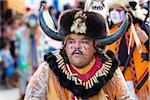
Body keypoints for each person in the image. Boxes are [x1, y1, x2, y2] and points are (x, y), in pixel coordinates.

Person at [25, 6, 133, 99]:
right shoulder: (47, 70)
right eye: (71, 41)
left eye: (84, 42)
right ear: (65, 45)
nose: (76, 46)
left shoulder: (109, 71)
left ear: (96, 46)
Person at [107, 4, 149, 100]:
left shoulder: (139, 29)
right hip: (114, 80)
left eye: (117, 10)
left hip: (134, 81)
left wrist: (146, 41)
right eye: (111, 10)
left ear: (127, 12)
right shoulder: (108, 32)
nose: (113, 14)